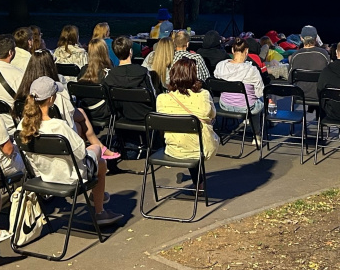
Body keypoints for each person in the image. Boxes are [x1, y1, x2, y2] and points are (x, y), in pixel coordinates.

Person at [18, 76, 123, 225]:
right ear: (51, 99)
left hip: (44, 175)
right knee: (98, 156)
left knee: (99, 161)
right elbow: (81, 153)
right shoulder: (58, 126)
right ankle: (99, 211)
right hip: (69, 177)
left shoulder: (23, 126)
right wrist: (97, 149)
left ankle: (98, 200)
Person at [15, 49, 120, 160]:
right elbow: (68, 120)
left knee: (80, 122)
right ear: (51, 66)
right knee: (80, 121)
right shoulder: (57, 93)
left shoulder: (24, 90)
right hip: (58, 133)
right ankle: (97, 152)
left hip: (35, 130)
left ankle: (98, 151)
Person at [156, 58, 219, 190]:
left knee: (186, 132)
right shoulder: (203, 95)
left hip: (173, 149)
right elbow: (213, 114)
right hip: (200, 149)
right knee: (201, 128)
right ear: (193, 75)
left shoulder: (162, 99)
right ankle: (199, 184)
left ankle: (198, 183)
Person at [213, 38, 264, 141]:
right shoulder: (251, 70)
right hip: (246, 107)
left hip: (224, 105)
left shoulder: (221, 66)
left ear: (232, 50)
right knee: (261, 99)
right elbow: (260, 91)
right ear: (247, 51)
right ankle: (257, 135)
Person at [105, 36, 156, 123]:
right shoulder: (143, 72)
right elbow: (153, 96)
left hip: (122, 115)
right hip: (145, 115)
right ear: (130, 51)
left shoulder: (110, 76)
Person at [288, 25, 330, 100]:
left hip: (299, 94)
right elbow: (328, 76)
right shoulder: (323, 54)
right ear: (316, 38)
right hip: (319, 95)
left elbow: (290, 79)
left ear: (301, 38)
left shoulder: (295, 55)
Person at [76, 39, 113, 122]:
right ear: (105, 51)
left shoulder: (83, 70)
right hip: (103, 111)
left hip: (85, 109)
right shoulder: (107, 72)